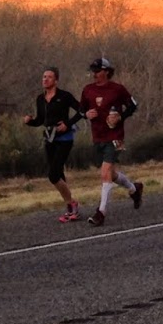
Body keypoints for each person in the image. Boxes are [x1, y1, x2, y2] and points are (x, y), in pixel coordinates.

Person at [79, 57, 143, 226]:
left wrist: (121, 116)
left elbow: (133, 105)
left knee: (104, 173)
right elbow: (81, 110)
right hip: (98, 136)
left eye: (98, 71)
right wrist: (86, 114)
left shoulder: (117, 89)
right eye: (93, 71)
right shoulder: (88, 90)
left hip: (116, 137)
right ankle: (134, 189)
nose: (95, 74)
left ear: (106, 71)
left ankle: (101, 213)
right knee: (111, 175)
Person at [22, 66, 85, 223]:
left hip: (64, 139)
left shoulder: (64, 96)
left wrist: (68, 124)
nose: (45, 79)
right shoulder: (40, 99)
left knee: (53, 175)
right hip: (50, 139)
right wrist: (30, 122)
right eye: (44, 77)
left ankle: (73, 205)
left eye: (49, 77)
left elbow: (82, 111)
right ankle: (70, 209)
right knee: (59, 175)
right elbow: (40, 121)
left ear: (56, 80)